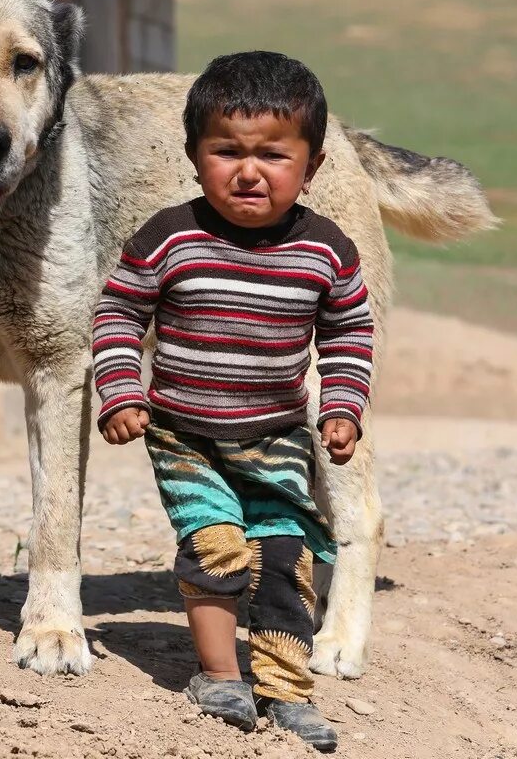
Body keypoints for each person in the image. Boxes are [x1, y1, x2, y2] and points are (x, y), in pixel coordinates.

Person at [92, 51, 374, 753]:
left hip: (277, 437)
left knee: (286, 557)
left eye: (274, 155)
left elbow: (348, 332)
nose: (249, 171)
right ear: (194, 157)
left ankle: (286, 689)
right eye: (226, 151)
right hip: (185, 434)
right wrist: (122, 390)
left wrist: (341, 406)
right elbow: (118, 314)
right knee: (215, 546)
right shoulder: (170, 235)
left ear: (311, 168)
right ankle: (219, 677)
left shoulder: (327, 251)